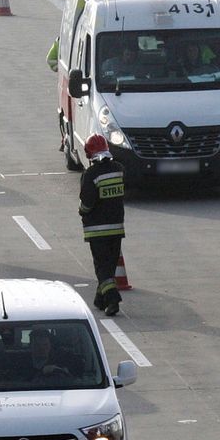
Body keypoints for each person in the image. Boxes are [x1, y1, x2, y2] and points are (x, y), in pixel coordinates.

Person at [79, 134, 125, 316]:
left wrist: (81, 211)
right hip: (117, 228)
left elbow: (87, 203)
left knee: (102, 267)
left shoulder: (90, 174)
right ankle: (100, 299)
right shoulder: (119, 169)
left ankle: (113, 299)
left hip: (96, 231)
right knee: (110, 264)